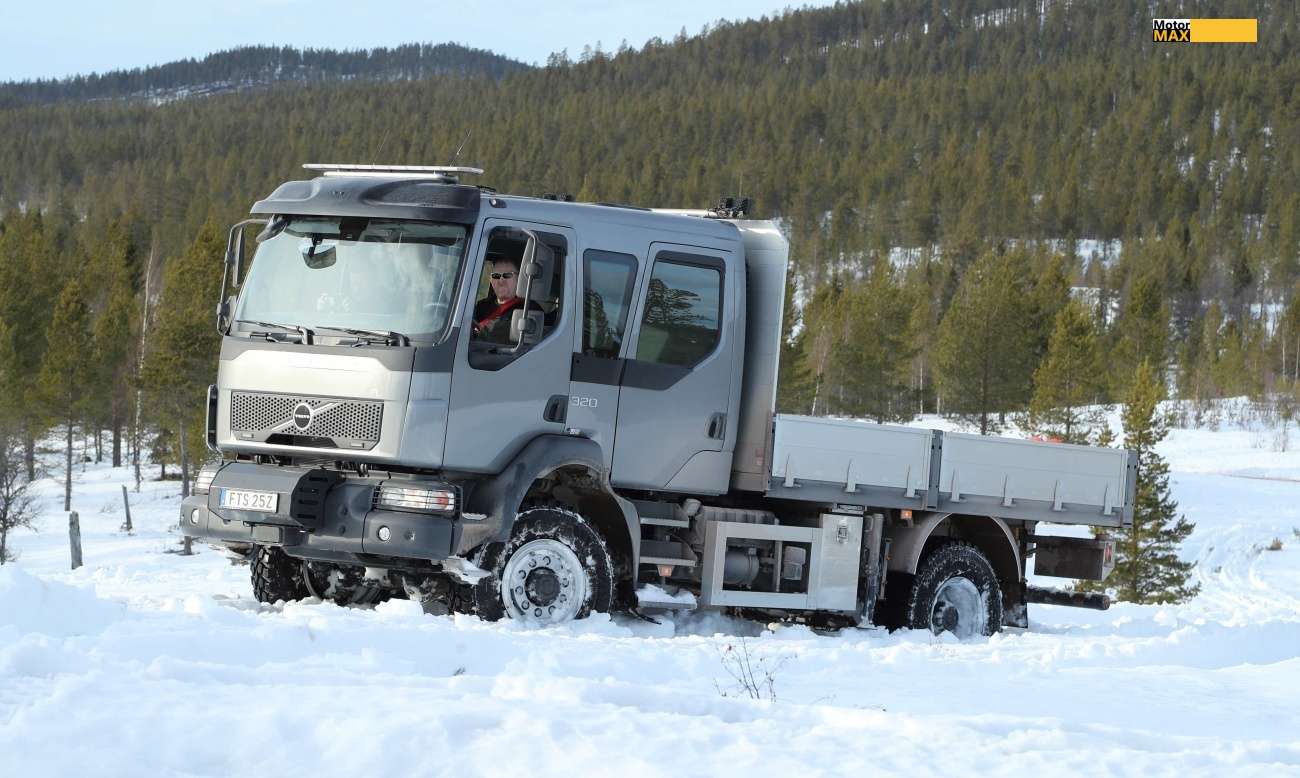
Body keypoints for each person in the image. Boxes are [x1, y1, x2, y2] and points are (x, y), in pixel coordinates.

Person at [472, 252, 526, 344]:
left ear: (518, 279)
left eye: (507, 275)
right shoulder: (481, 306)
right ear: (491, 280)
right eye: (496, 275)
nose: (501, 281)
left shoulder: (527, 310)